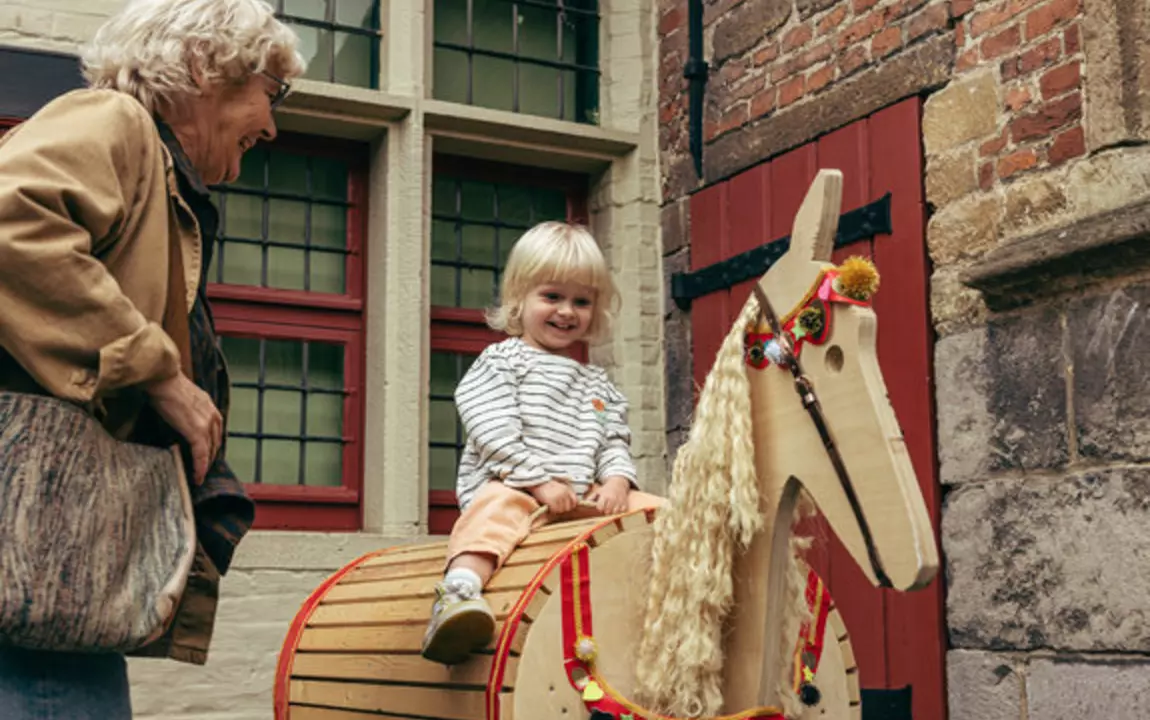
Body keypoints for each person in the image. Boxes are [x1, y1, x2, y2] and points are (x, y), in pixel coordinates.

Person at [0, 0, 305, 716]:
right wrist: (159, 371)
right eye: (271, 91)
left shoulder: (164, 178)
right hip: (41, 568)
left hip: (58, 565)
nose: (273, 123)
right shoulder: (114, 121)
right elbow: (11, 226)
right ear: (205, 67)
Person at [421, 221, 666, 665]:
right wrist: (537, 482)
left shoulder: (597, 383)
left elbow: (612, 438)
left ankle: (676, 598)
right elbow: (489, 428)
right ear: (519, 297)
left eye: (581, 301)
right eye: (552, 296)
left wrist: (615, 481)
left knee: (660, 512)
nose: (567, 311)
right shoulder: (503, 360)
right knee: (490, 512)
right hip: (518, 489)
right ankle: (458, 595)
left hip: (583, 496)